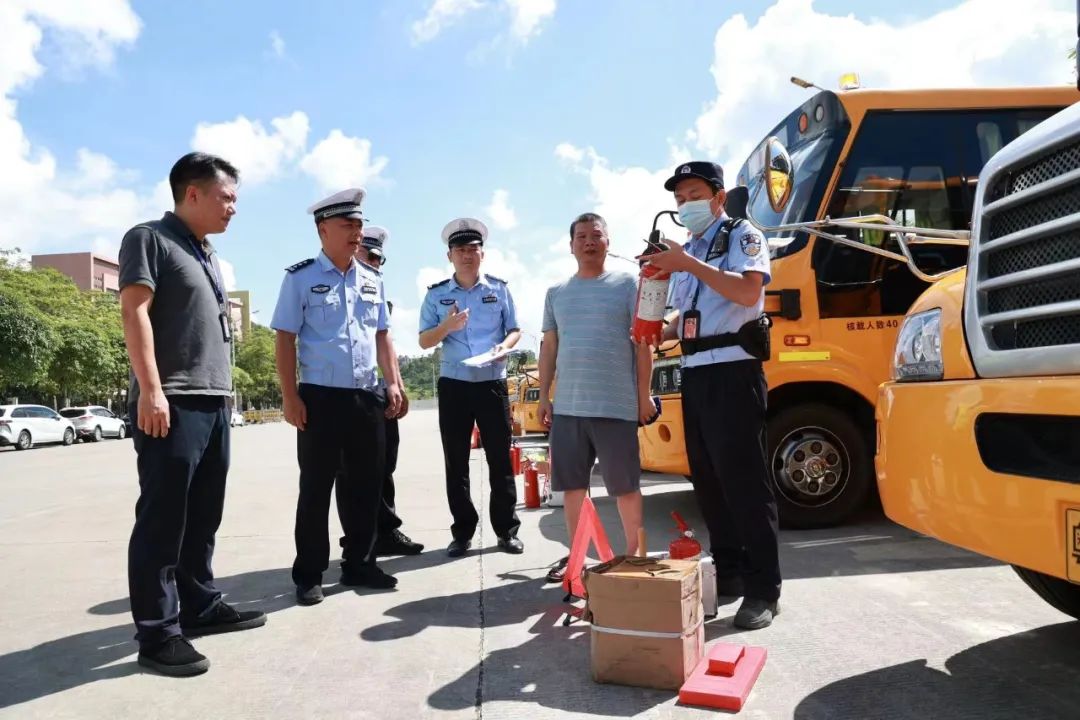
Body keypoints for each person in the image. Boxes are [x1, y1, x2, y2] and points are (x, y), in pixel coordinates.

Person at [120, 152, 266, 678]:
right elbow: (134, 311)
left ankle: (199, 606)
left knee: (203, 516)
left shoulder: (205, 252)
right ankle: (157, 634)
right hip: (173, 401)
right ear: (193, 193)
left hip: (213, 400)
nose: (233, 208)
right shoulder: (149, 239)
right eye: (226, 197)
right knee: (163, 521)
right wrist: (151, 391)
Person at [636, 160, 781, 630]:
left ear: (718, 197)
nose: (685, 205)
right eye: (679, 199)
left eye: (694, 195)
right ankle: (731, 572)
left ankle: (764, 589)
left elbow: (747, 293)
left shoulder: (742, 235)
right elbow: (691, 313)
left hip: (734, 371)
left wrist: (686, 263)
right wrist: (658, 328)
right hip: (695, 373)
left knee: (745, 483)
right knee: (710, 482)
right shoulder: (691, 248)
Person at [271, 188, 403, 606]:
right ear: (322, 229)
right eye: (348, 225)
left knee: (365, 486)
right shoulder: (300, 278)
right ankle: (309, 573)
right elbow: (285, 339)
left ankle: (360, 563)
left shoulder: (372, 279)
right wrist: (290, 396)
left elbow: (382, 336)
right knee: (316, 488)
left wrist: (393, 382)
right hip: (320, 399)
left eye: (360, 225)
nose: (356, 233)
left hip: (365, 396)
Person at [538, 213, 655, 583]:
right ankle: (577, 561)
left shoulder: (628, 285)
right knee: (573, 487)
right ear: (571, 245)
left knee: (625, 485)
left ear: (608, 241)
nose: (589, 241)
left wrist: (644, 395)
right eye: (581, 236)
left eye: (596, 235)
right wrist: (544, 397)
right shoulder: (556, 293)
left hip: (616, 405)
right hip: (569, 408)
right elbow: (549, 347)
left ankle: (634, 556)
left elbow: (644, 343)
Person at [419, 218, 523, 557]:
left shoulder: (499, 289)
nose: (467, 255)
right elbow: (424, 341)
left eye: (473, 249)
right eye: (460, 250)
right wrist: (446, 327)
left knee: (500, 460)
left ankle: (506, 530)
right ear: (449, 255)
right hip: (455, 386)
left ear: (482, 254)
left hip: (492, 383)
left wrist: (504, 346)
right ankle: (462, 532)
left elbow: (515, 329)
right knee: (456, 462)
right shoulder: (437, 295)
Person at [335, 225, 423, 557]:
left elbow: (386, 344)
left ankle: (385, 531)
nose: (375, 262)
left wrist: (397, 385)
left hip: (379, 392)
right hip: (347, 394)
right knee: (350, 472)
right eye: (369, 255)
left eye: (379, 259)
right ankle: (356, 540)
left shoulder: (377, 293)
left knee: (384, 465)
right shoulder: (336, 290)